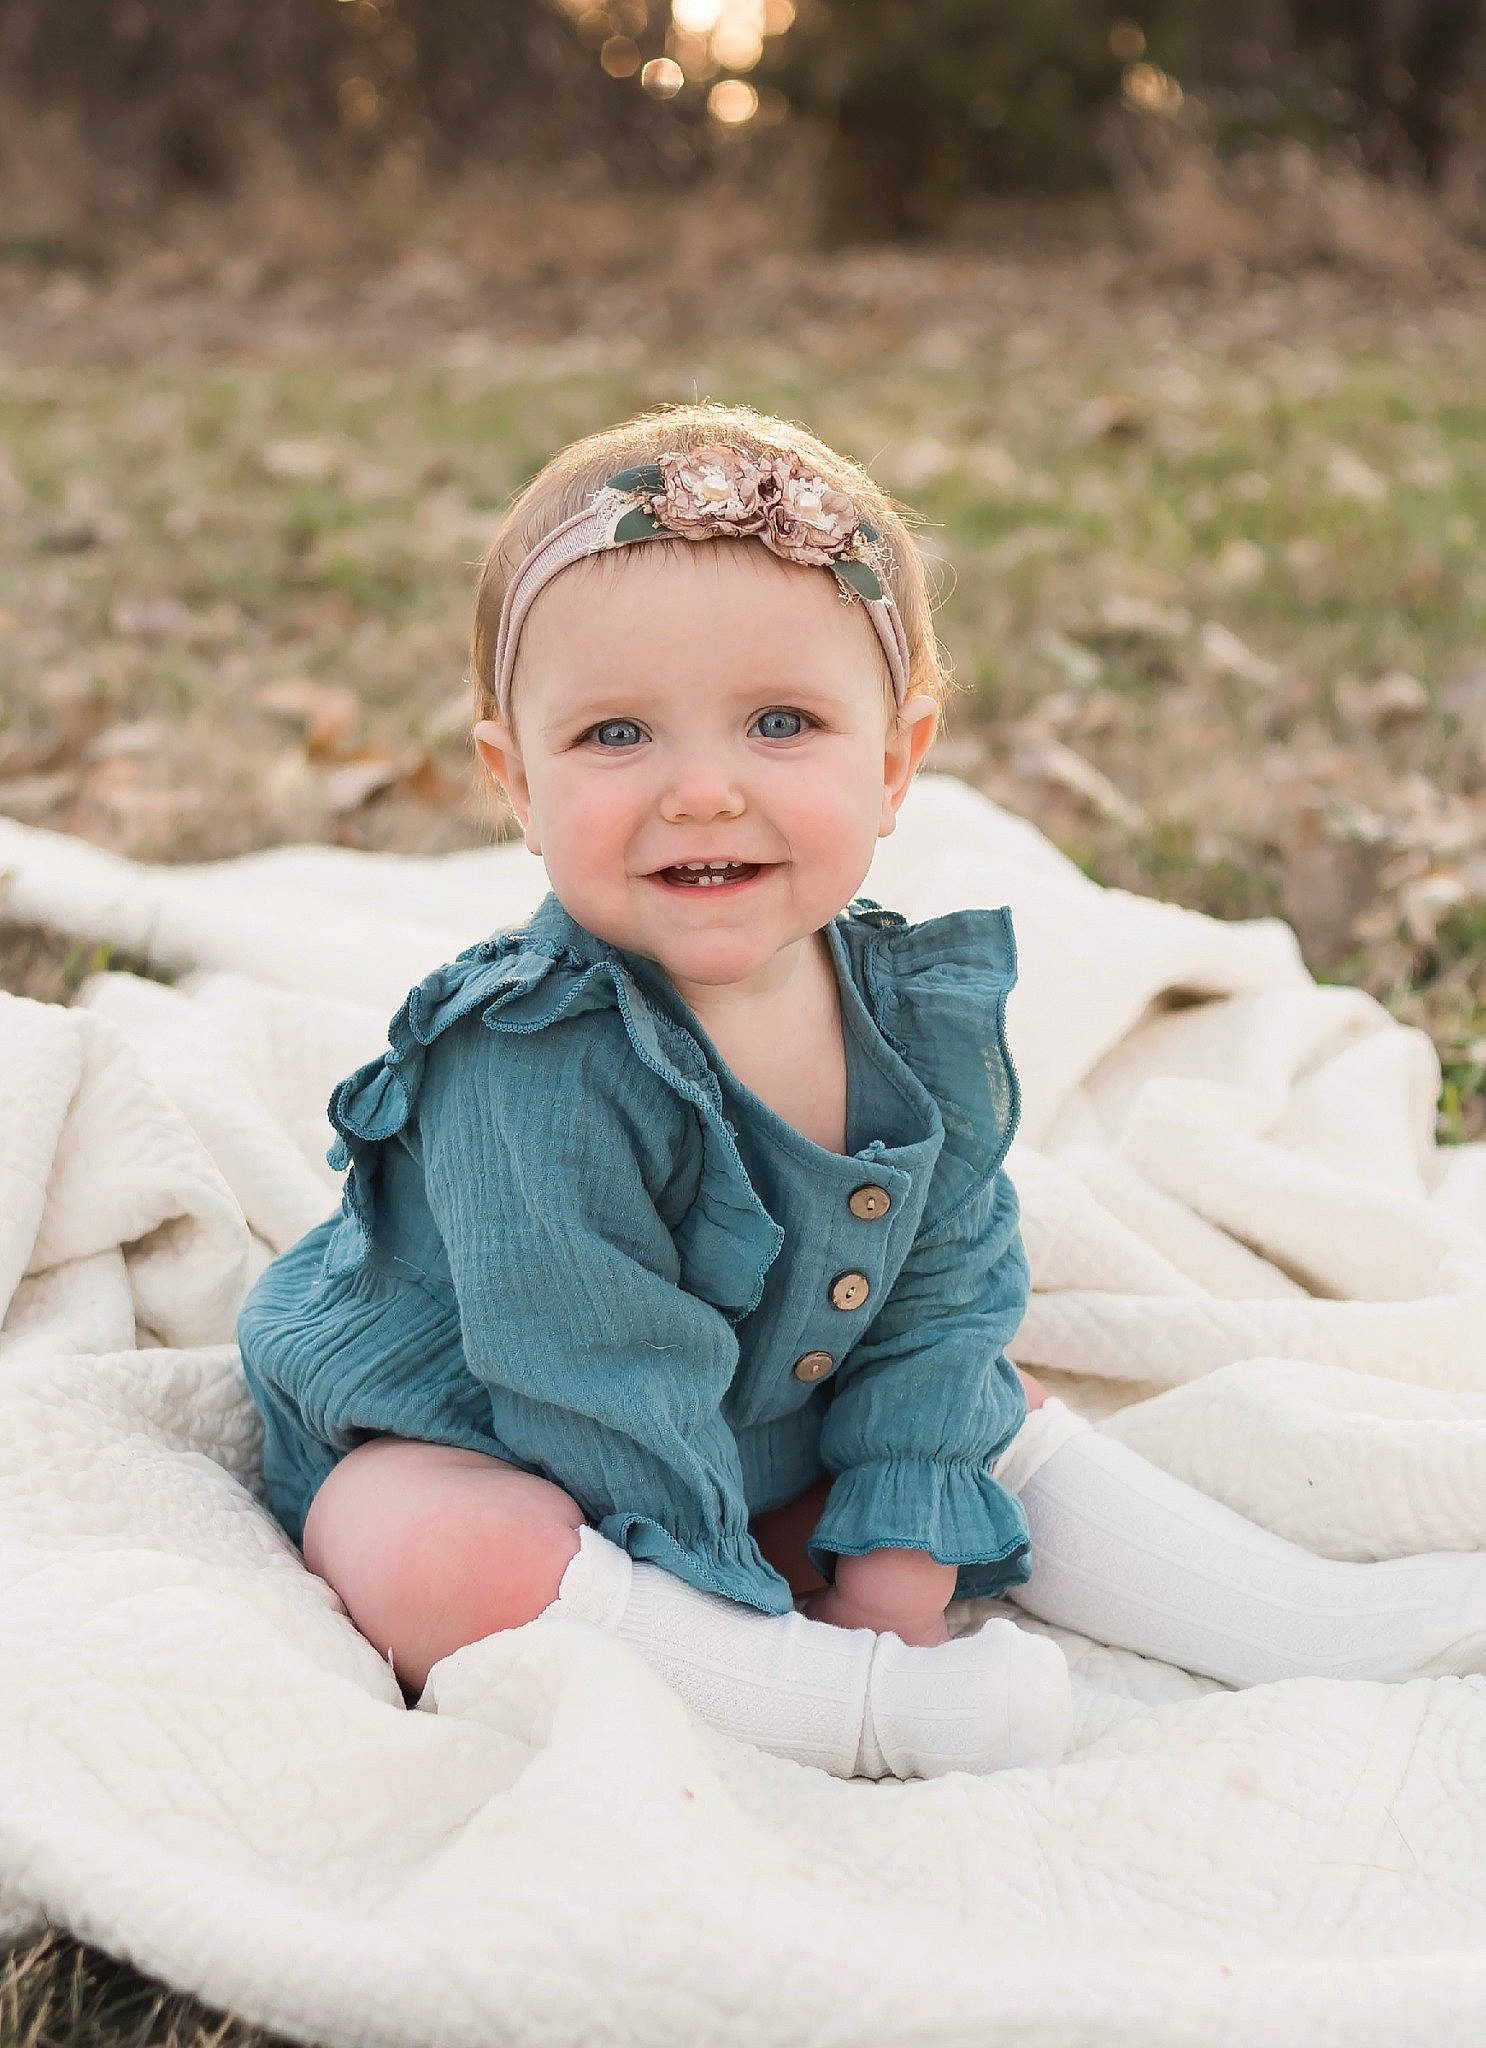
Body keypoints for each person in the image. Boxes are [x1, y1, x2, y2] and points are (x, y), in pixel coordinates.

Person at [238, 404, 1486, 1781]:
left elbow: (941, 1297)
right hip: (512, 1436)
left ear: (893, 762)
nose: (701, 790)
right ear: (513, 782)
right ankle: (836, 1712)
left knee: (989, 1407)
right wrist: (775, 1613)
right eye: (613, 734)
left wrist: (897, 1548)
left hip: (762, 1412)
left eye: (780, 723)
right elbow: (596, 1388)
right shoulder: (525, 1056)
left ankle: (1300, 1617)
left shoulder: (911, 1016)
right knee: (417, 1545)